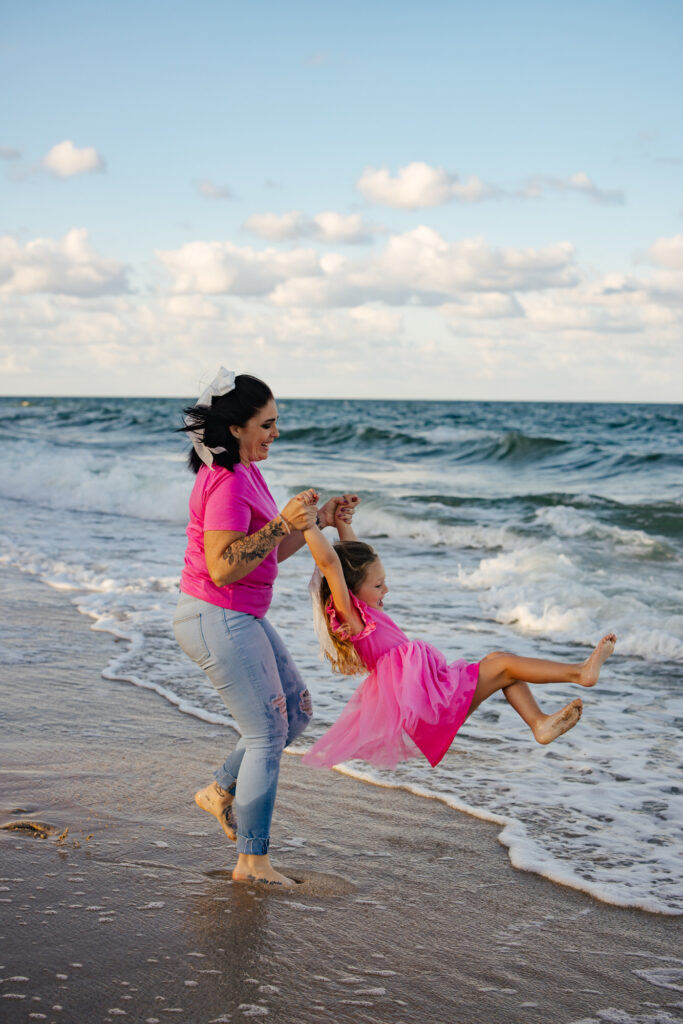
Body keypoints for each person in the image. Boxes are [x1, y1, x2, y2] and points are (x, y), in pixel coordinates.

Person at [173, 368, 357, 886]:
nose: (276, 433)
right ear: (236, 428)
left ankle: (219, 792)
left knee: (295, 713)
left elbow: (269, 552)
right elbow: (224, 566)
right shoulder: (227, 483)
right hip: (217, 615)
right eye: (268, 424)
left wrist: (315, 520)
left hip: (238, 616)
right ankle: (252, 863)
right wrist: (282, 521)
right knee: (267, 732)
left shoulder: (248, 472)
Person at [300, 505, 616, 770]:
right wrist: (307, 523)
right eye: (379, 586)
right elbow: (331, 565)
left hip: (434, 690)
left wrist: (342, 521)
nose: (386, 591)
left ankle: (539, 724)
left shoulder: (363, 607)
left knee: (498, 662)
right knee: (504, 664)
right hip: (428, 704)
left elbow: (347, 560)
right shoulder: (353, 619)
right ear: (355, 590)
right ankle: (580, 673)